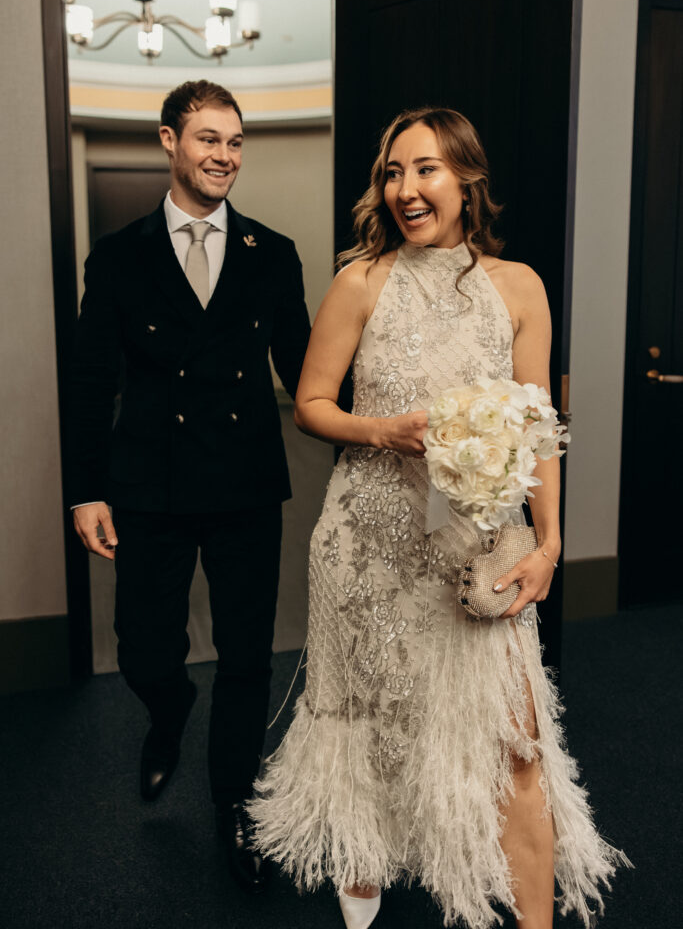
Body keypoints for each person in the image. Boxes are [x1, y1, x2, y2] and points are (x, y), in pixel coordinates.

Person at [249, 106, 629, 928]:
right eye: (391, 171)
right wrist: (379, 429)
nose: (404, 188)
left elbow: (537, 430)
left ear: (465, 179)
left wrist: (550, 545)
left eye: (423, 169)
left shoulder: (517, 286)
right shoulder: (361, 280)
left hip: (478, 550)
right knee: (367, 727)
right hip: (368, 539)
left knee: (515, 744)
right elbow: (311, 403)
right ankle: (364, 870)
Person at [67, 80, 310, 894]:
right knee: (144, 649)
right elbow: (90, 379)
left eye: (235, 142)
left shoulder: (270, 253)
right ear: (168, 141)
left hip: (244, 484)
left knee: (246, 660)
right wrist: (85, 489)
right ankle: (166, 712)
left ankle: (236, 807)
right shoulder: (119, 253)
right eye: (208, 139)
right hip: (147, 484)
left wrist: (378, 426)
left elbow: (306, 369)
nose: (224, 157)